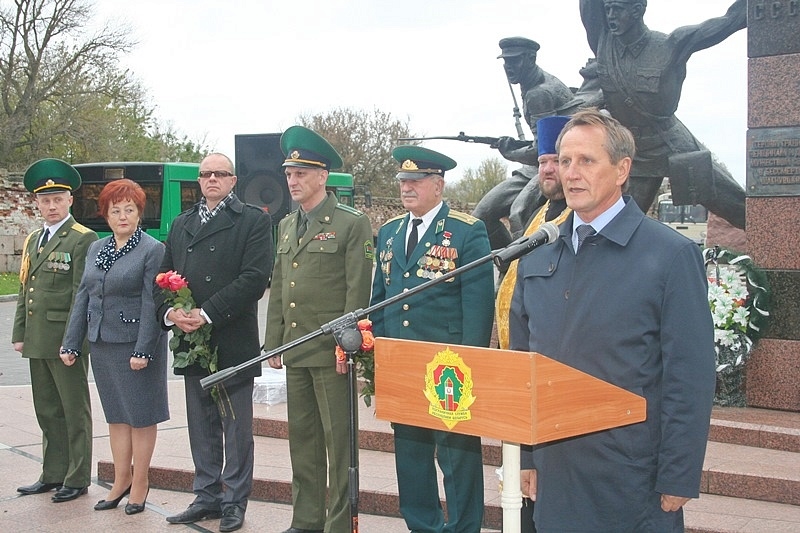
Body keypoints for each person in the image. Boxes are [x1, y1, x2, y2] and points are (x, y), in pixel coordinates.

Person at [509, 109, 715, 532]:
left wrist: (678, 475)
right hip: (556, 468)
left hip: (631, 478)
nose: (571, 173)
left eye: (587, 160)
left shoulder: (669, 255)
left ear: (622, 170)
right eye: (565, 161)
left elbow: (689, 375)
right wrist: (525, 456)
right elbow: (521, 364)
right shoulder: (538, 254)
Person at [370, 146, 495, 533]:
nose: (406, 188)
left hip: (448, 368)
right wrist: (379, 352)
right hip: (402, 366)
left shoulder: (467, 231)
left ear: (438, 186)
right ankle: (422, 525)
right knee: (410, 454)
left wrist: (468, 365)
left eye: (415, 181)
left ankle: (462, 526)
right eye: (403, 182)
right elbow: (381, 297)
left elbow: (478, 307)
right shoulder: (390, 232)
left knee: (457, 456)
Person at [264, 126, 374, 533]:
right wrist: (273, 341)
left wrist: (347, 347)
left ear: (323, 176)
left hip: (332, 353)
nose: (293, 181)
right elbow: (279, 286)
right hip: (297, 348)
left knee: (338, 441)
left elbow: (355, 292)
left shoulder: (350, 223)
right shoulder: (287, 225)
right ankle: (305, 519)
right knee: (303, 442)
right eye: (289, 174)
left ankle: (339, 523)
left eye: (302, 174)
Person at [157, 153, 273, 532]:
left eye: (219, 174)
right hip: (191, 340)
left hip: (230, 338)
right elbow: (162, 276)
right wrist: (172, 314)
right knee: (202, 424)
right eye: (205, 174)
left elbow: (255, 279)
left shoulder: (253, 220)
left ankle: (234, 501)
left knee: (235, 427)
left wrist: (206, 312)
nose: (211, 180)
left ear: (233, 180)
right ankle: (206, 495)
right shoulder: (182, 223)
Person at [580, 0, 747, 228]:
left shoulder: (670, 45)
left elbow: (729, 22)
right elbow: (588, 6)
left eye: (617, 9)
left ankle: (780, 244)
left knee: (741, 209)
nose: (610, 16)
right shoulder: (603, 42)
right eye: (607, 9)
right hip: (634, 151)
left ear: (637, 10)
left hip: (672, 144)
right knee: (616, 226)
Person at [61, 179, 168, 514]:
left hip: (136, 344)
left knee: (140, 415)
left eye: (130, 210)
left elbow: (153, 302)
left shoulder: (152, 249)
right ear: (104, 215)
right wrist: (71, 342)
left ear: (140, 213)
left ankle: (141, 483)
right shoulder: (97, 248)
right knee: (117, 416)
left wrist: (144, 349)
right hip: (102, 343)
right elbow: (83, 296)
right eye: (115, 210)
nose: (123, 216)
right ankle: (120, 480)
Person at [494, 116, 571, 533]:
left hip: (555, 376)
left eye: (556, 160)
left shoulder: (574, 223)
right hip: (519, 364)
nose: (547, 170)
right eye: (543, 161)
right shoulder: (541, 211)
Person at [12, 158, 98, 503]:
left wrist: (74, 341)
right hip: (38, 337)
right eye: (45, 200)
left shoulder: (82, 237)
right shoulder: (34, 238)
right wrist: (20, 332)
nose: (51, 206)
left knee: (73, 410)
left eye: (57, 199)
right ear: (37, 203)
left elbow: (83, 294)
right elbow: (25, 288)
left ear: (69, 201)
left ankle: (76, 478)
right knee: (47, 409)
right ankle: (52, 473)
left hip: (66, 339)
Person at [473, 37, 574, 251]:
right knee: (481, 215)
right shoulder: (530, 86)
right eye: (506, 62)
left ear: (531, 59)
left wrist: (510, 153)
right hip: (537, 163)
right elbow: (544, 137)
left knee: (518, 213)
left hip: (553, 164)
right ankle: (506, 266)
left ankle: (518, 266)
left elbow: (545, 148)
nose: (508, 67)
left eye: (514, 61)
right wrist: (514, 144)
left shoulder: (539, 92)